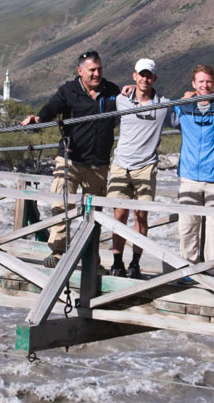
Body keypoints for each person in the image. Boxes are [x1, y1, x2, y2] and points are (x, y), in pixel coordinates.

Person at [20, 50, 120, 258]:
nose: (96, 74)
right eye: (92, 70)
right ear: (80, 71)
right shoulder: (69, 90)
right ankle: (58, 252)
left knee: (94, 214)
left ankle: (91, 258)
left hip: (98, 163)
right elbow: (52, 107)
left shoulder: (112, 91)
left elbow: (128, 108)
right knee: (61, 204)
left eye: (99, 69)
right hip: (70, 158)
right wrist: (38, 119)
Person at [105, 59, 175, 278]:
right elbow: (102, 116)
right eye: (141, 75)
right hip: (120, 164)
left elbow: (184, 120)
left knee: (141, 216)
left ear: (154, 78)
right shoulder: (121, 100)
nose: (145, 79)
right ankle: (117, 262)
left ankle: (135, 262)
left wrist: (192, 97)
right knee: (119, 215)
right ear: (134, 76)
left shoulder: (164, 105)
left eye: (149, 75)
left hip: (146, 167)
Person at [175, 65, 214, 271]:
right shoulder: (182, 107)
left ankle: (213, 270)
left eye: (208, 81)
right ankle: (188, 269)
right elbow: (155, 108)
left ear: (213, 83)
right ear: (193, 84)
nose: (204, 85)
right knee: (188, 227)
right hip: (189, 175)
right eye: (200, 81)